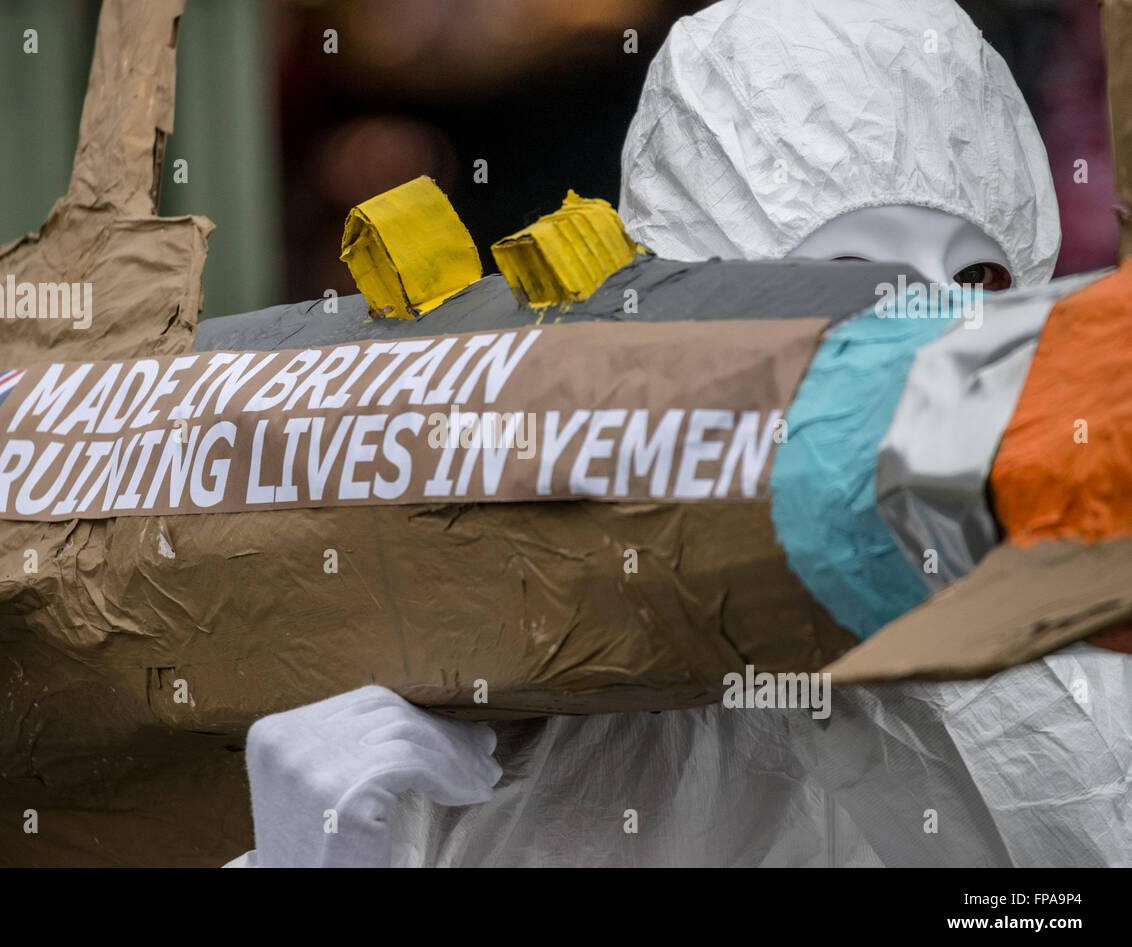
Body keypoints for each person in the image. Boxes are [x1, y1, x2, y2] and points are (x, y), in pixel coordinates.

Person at [233, 0, 1090, 868]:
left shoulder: (1086, 682)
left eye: (980, 277)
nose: (937, 331)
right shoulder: (514, 712)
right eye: (853, 283)